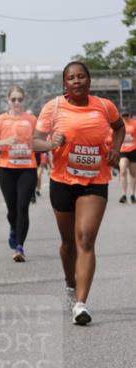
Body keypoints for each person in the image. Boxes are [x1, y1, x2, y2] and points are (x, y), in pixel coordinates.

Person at [33, 61, 124, 325]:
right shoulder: (54, 107)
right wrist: (51, 143)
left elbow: (119, 127)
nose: (76, 81)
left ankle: (81, 304)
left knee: (85, 238)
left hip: (95, 180)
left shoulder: (105, 106)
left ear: (89, 81)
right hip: (62, 181)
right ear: (65, 84)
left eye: (81, 76)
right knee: (68, 244)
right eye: (71, 78)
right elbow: (35, 142)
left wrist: (116, 149)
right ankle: (70, 284)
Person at [0, 85, 38, 262]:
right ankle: (14, 229)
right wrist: (5, 141)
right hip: (7, 168)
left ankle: (19, 247)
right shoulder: (1, 119)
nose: (16, 102)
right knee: (12, 209)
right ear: (8, 100)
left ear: (24, 100)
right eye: (13, 99)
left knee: (23, 207)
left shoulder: (31, 119)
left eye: (19, 99)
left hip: (28, 167)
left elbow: (41, 139)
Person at [117, 109, 136, 203]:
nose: (125, 117)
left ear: (130, 115)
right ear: (121, 116)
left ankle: (132, 194)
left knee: (133, 173)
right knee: (123, 170)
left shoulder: (134, 124)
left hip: (133, 150)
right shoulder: (119, 125)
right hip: (122, 150)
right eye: (123, 115)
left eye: (127, 115)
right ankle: (124, 195)